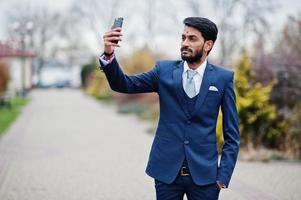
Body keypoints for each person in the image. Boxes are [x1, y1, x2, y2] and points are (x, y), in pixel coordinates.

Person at [99, 17, 240, 200]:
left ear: (208, 44)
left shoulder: (223, 78)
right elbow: (124, 84)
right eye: (183, 38)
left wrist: (223, 176)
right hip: (166, 174)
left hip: (205, 177)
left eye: (192, 39)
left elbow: (232, 135)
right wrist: (109, 54)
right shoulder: (163, 71)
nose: (185, 43)